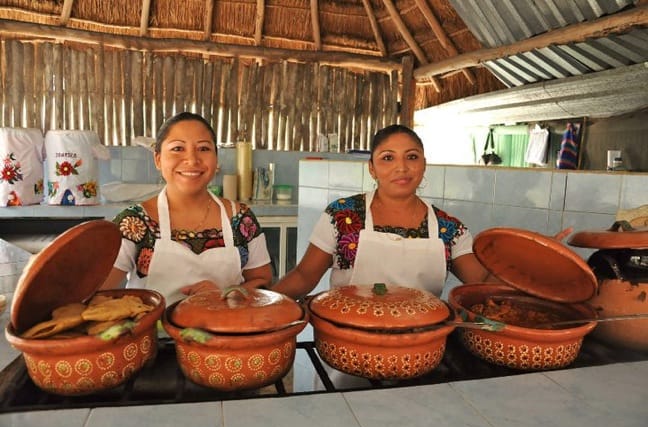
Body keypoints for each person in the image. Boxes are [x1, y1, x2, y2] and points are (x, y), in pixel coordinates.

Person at [272, 124, 571, 300]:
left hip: (420, 348)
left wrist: (538, 259)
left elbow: (484, 283)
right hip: (348, 345)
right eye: (388, 158)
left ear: (424, 164)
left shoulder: (447, 228)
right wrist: (265, 302)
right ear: (372, 168)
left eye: (411, 157)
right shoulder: (342, 216)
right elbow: (303, 277)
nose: (401, 167)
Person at [100, 112, 273, 304]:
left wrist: (228, 295)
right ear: (158, 159)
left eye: (203, 148)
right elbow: (99, 293)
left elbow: (263, 281)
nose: (191, 159)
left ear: (216, 159)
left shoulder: (241, 219)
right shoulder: (133, 223)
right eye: (177, 148)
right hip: (152, 334)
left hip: (226, 331)